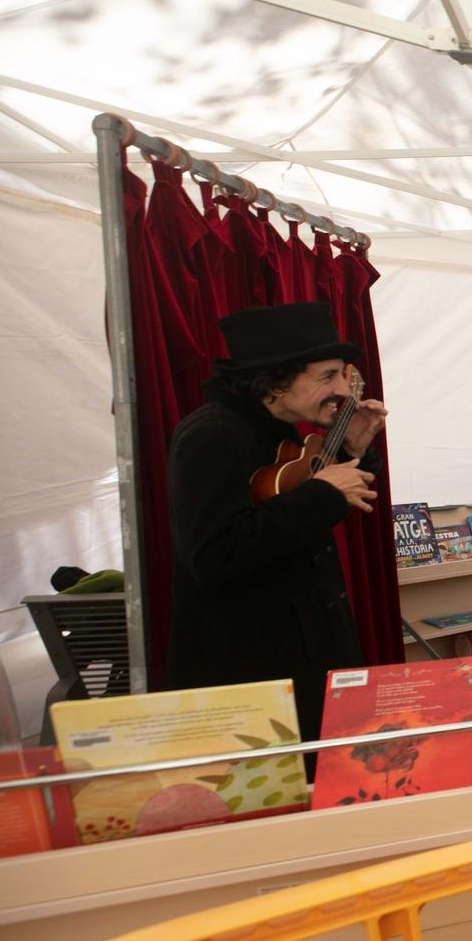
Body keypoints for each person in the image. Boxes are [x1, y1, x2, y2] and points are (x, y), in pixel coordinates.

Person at [166, 302, 389, 754]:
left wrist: (355, 454)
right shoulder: (214, 437)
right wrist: (324, 493)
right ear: (273, 379)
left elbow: (295, 523)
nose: (344, 390)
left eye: (343, 376)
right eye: (327, 376)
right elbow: (213, 556)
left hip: (305, 659)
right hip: (254, 675)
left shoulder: (278, 434)